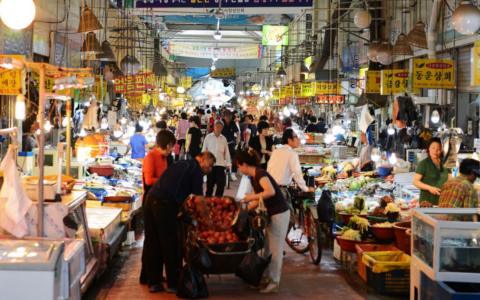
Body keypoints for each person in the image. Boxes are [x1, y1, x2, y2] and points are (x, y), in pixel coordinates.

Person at [144, 151, 215, 293]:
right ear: (203, 159)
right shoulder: (196, 170)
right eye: (210, 165)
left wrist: (185, 212)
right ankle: (173, 284)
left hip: (150, 201)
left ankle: (154, 282)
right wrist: (208, 221)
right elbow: (200, 200)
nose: (210, 169)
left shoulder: (183, 164)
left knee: (154, 243)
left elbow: (180, 194)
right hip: (164, 205)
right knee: (170, 244)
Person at [236, 150, 290, 294]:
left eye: (239, 167)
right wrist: (242, 211)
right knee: (267, 248)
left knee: (276, 250)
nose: (239, 170)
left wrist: (251, 197)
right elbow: (259, 199)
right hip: (271, 214)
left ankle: (274, 282)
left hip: (279, 213)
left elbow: (270, 192)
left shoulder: (260, 174)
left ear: (244, 165)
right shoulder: (253, 177)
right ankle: (266, 278)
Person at [140, 130, 176, 287]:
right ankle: (150, 277)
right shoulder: (150, 158)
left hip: (162, 201)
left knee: (158, 241)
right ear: (167, 145)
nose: (172, 149)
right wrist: (166, 179)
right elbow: (148, 180)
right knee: (152, 242)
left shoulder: (165, 158)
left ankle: (153, 275)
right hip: (150, 202)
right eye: (172, 146)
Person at [267, 129, 315, 210]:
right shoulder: (292, 154)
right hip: (280, 191)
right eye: (296, 137)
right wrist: (306, 189)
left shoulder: (276, 152)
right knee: (287, 218)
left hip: (270, 188)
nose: (298, 140)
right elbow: (297, 174)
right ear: (289, 140)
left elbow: (269, 170)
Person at [413, 138, 452, 205]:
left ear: (442, 150)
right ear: (429, 148)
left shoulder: (445, 163)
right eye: (433, 148)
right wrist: (429, 188)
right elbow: (415, 182)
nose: (435, 151)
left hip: (443, 202)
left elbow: (450, 181)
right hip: (427, 203)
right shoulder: (424, 163)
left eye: (439, 148)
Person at [202, 120, 231, 197]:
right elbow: (204, 151)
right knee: (210, 184)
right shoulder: (208, 137)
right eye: (217, 127)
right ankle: (208, 199)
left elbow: (227, 153)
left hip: (220, 164)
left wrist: (228, 164)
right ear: (214, 127)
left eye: (221, 127)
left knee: (221, 185)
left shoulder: (224, 139)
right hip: (210, 165)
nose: (219, 129)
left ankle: (218, 200)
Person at [221, 110, 240, 181]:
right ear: (224, 117)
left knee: (234, 156)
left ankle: (233, 173)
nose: (229, 118)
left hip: (231, 142)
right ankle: (221, 171)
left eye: (230, 116)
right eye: (227, 116)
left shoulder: (233, 123)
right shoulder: (221, 122)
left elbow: (237, 132)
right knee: (220, 156)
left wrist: (238, 139)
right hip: (222, 143)